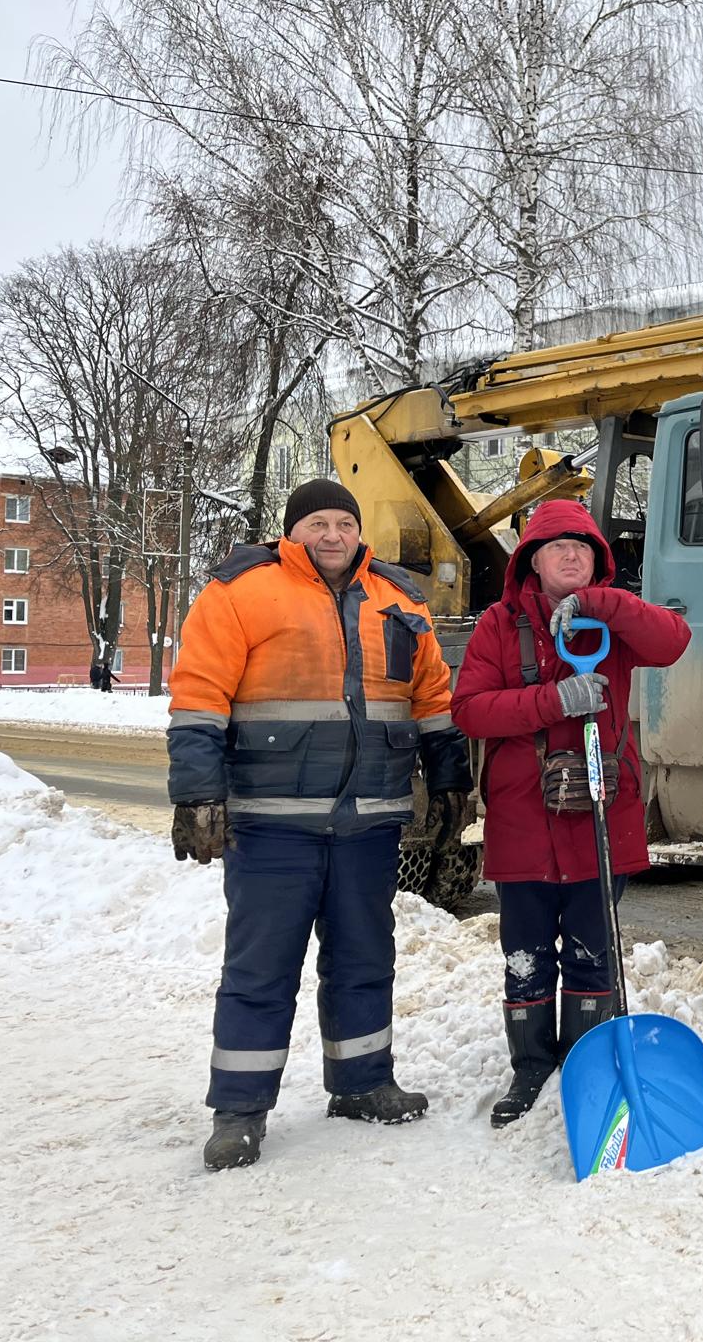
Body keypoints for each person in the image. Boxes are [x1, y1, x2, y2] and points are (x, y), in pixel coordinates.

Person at [167, 478, 473, 1171]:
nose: (332, 535)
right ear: (292, 531)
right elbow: (198, 696)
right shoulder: (241, 591)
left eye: (343, 523)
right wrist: (196, 795)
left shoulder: (400, 599)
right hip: (272, 825)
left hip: (369, 821)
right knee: (260, 969)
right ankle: (240, 1110)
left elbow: (431, 697)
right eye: (317, 524)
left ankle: (363, 1083)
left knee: (365, 960)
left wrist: (452, 777)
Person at [452, 498, 691, 1128]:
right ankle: (531, 1066)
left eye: (583, 548)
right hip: (524, 820)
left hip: (599, 819)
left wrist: (599, 605)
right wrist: (552, 699)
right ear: (532, 558)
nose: (570, 556)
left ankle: (587, 1063)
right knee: (525, 952)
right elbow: (470, 709)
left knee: (592, 950)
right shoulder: (498, 627)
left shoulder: (614, 625)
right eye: (558, 547)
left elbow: (673, 641)